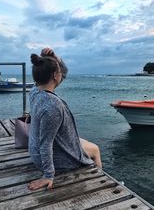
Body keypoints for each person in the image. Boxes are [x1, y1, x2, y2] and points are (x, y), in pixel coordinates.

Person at [28, 48, 102, 191]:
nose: (62, 74)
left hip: (36, 150)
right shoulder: (53, 106)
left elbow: (63, 73)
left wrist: (55, 58)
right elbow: (45, 144)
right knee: (95, 150)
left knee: (83, 141)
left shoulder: (35, 91)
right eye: (59, 71)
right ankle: (99, 184)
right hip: (52, 158)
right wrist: (48, 175)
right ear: (55, 75)